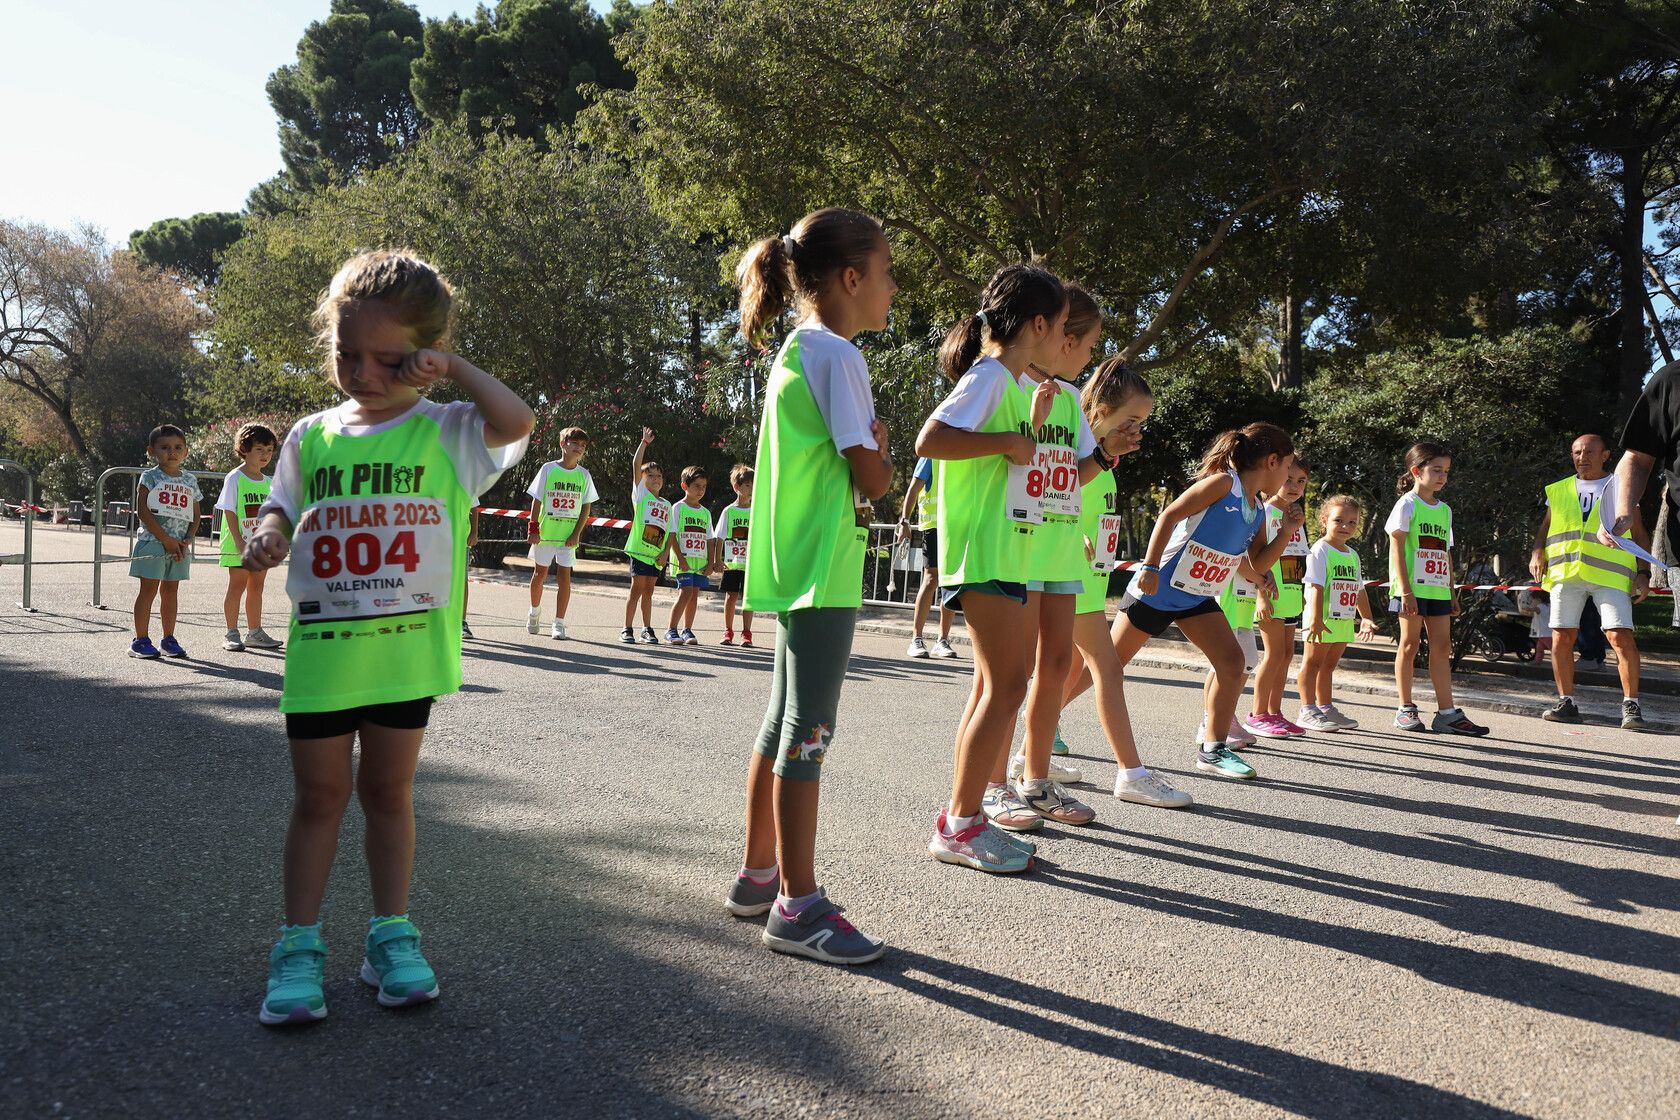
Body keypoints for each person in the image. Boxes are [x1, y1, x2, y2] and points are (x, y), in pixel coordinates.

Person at [242, 249, 532, 1025]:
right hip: (324, 659)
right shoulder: (310, 435)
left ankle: (389, 936)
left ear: (426, 355)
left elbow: (517, 421)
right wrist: (269, 532)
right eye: (347, 355)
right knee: (320, 797)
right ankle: (299, 945)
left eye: (388, 358)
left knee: (388, 796)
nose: (364, 371)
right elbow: (280, 503)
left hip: (404, 657)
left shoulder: (450, 432)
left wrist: (456, 367)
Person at [725, 207, 895, 964]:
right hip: (826, 566)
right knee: (811, 730)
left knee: (781, 720)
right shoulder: (838, 356)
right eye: (887, 273)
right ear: (851, 278)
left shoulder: (801, 349)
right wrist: (883, 458)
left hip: (797, 561)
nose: (893, 288)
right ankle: (799, 906)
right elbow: (872, 478)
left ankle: (759, 874)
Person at [918, 263, 1065, 870]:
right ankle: (961, 825)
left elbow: (996, 457)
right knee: (1006, 686)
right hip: (981, 552)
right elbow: (931, 440)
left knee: (994, 686)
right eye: (1061, 328)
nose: (1063, 340)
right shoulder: (987, 376)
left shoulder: (1006, 383)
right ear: (1036, 323)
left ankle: (965, 816)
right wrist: (1010, 442)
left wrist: (1024, 430)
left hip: (996, 550)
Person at [1045, 357, 1194, 809]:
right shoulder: (1078, 442)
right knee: (1105, 668)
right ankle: (1131, 773)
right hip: (1066, 572)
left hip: (1088, 577)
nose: (1137, 429)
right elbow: (1055, 491)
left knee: (1066, 669)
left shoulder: (1103, 453)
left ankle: (1029, 757)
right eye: (1131, 419)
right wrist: (1078, 535)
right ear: (1101, 408)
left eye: (1143, 422)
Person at [1110, 423, 1295, 780]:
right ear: (1272, 461)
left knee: (1232, 662)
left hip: (1195, 596)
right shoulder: (1224, 484)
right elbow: (1170, 515)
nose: (1288, 475)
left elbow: (1256, 562)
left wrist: (1284, 535)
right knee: (1106, 667)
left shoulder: (1257, 508)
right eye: (1288, 466)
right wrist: (1149, 566)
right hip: (1157, 589)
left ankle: (1213, 748)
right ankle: (1048, 721)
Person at [1000, 284, 1109, 828]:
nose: (1091, 356)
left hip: (1064, 548)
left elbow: (1080, 469)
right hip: (1020, 548)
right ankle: (993, 784)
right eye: (1088, 343)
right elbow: (1003, 460)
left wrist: (1109, 453)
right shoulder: (1008, 384)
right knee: (1010, 673)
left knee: (1057, 665)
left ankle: (1036, 780)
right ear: (1062, 338)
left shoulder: (1068, 397)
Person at [1530, 433, 1652, 728]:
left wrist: (1644, 572)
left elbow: (1639, 534)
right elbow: (1545, 527)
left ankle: (1631, 705)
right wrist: (1536, 551)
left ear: (1605, 455)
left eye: (1588, 451)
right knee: (1561, 637)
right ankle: (1566, 701)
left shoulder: (1621, 488)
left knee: (1619, 636)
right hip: (1565, 573)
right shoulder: (1557, 490)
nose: (1581, 456)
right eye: (1576, 451)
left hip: (1609, 576)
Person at [1386, 442, 1488, 735]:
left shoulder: (1445, 510)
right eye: (1436, 470)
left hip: (1438, 589)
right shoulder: (1407, 504)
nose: (1443, 476)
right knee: (1410, 644)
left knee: (1442, 647)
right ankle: (1405, 708)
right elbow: (1396, 546)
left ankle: (1447, 713)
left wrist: (1452, 591)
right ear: (1416, 471)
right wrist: (1405, 591)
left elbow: (1445, 552)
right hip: (1411, 589)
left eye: (1446, 471)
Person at [1295, 496, 1380, 730]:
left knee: (1329, 666)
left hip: (1343, 620)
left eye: (1352, 522)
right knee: (1312, 663)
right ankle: (1307, 709)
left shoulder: (1353, 554)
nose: (1346, 526)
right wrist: (1315, 619)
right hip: (1320, 620)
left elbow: (1359, 588)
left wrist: (1366, 617)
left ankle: (1325, 707)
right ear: (1324, 520)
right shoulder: (1320, 549)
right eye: (1339, 520)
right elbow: (1315, 586)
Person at [1244, 460, 1311, 738]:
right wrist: (1262, 596)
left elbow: (1297, 557)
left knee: (1286, 654)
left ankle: (1275, 712)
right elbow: (1257, 557)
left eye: (1301, 481)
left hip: (1292, 595)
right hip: (1271, 595)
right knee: (1272, 655)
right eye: (1289, 478)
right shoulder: (1266, 512)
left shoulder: (1296, 516)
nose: (1294, 486)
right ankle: (1257, 714)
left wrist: (1303, 594)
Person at [129, 424, 202, 660]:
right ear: (152, 451)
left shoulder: (190, 480)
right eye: (165, 447)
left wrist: (187, 539)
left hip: (179, 546)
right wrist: (165, 540)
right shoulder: (149, 476)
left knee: (171, 591)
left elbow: (196, 513)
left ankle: (168, 639)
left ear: (186, 452)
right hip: (153, 542)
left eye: (178, 447)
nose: (172, 452)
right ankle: (140, 640)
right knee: (148, 591)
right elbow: (143, 511)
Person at [524, 427, 597, 640]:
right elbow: (536, 500)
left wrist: (576, 533)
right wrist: (533, 528)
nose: (579, 448)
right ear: (562, 444)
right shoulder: (548, 469)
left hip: (567, 538)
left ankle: (559, 622)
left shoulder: (584, 475)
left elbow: (586, 507)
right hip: (546, 535)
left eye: (583, 445)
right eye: (575, 443)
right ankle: (534, 612)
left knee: (565, 578)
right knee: (540, 575)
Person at [217, 423, 282, 653]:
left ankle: (255, 632)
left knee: (257, 587)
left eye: (269, 450)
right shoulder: (235, 477)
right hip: (238, 544)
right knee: (237, 586)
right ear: (244, 449)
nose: (265, 455)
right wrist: (238, 540)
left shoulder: (269, 482)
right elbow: (229, 510)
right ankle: (231, 633)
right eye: (260, 449)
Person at [898, 456, 956, 659]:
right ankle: (916, 638)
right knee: (931, 579)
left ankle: (942, 640)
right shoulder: (931, 454)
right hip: (934, 525)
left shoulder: (962, 446)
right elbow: (914, 487)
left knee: (951, 582)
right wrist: (904, 522)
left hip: (956, 525)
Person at [621, 429, 670, 645]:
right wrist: (644, 443)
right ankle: (627, 628)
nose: (655, 479)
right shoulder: (641, 496)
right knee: (636, 589)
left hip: (656, 555)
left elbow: (670, 534)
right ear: (642, 480)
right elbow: (636, 464)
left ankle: (647, 628)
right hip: (639, 552)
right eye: (650, 475)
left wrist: (665, 554)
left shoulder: (667, 505)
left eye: (659, 476)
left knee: (649, 591)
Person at [664, 467, 713, 645]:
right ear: (685, 485)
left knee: (693, 595)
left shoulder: (706, 513)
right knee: (684, 593)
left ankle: (687, 630)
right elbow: (672, 535)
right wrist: (681, 559)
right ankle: (671, 630)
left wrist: (711, 562)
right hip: (682, 563)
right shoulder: (677, 508)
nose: (701, 490)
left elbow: (710, 539)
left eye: (704, 487)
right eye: (697, 486)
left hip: (699, 563)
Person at [715, 464, 756, 647]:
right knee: (731, 596)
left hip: (752, 563)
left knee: (748, 598)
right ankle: (728, 630)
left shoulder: (758, 511)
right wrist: (717, 559)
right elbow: (719, 537)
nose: (751, 488)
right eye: (747, 484)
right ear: (737, 487)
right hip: (732, 563)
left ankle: (746, 632)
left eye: (754, 484)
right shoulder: (728, 511)